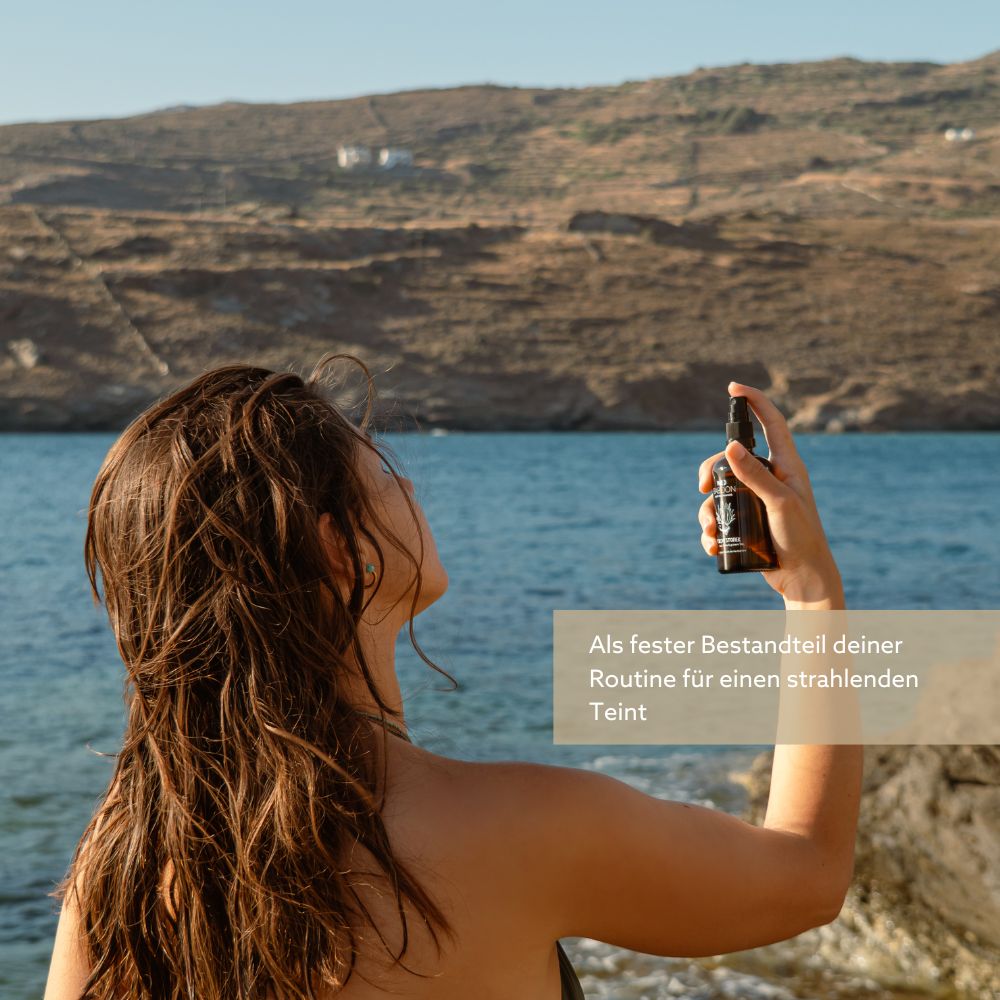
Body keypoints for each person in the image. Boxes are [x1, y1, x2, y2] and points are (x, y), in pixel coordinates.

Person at [44, 358, 863, 1000]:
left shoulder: (123, 867)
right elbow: (806, 875)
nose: (410, 485)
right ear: (342, 549)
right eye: (384, 472)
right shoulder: (517, 827)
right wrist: (814, 591)